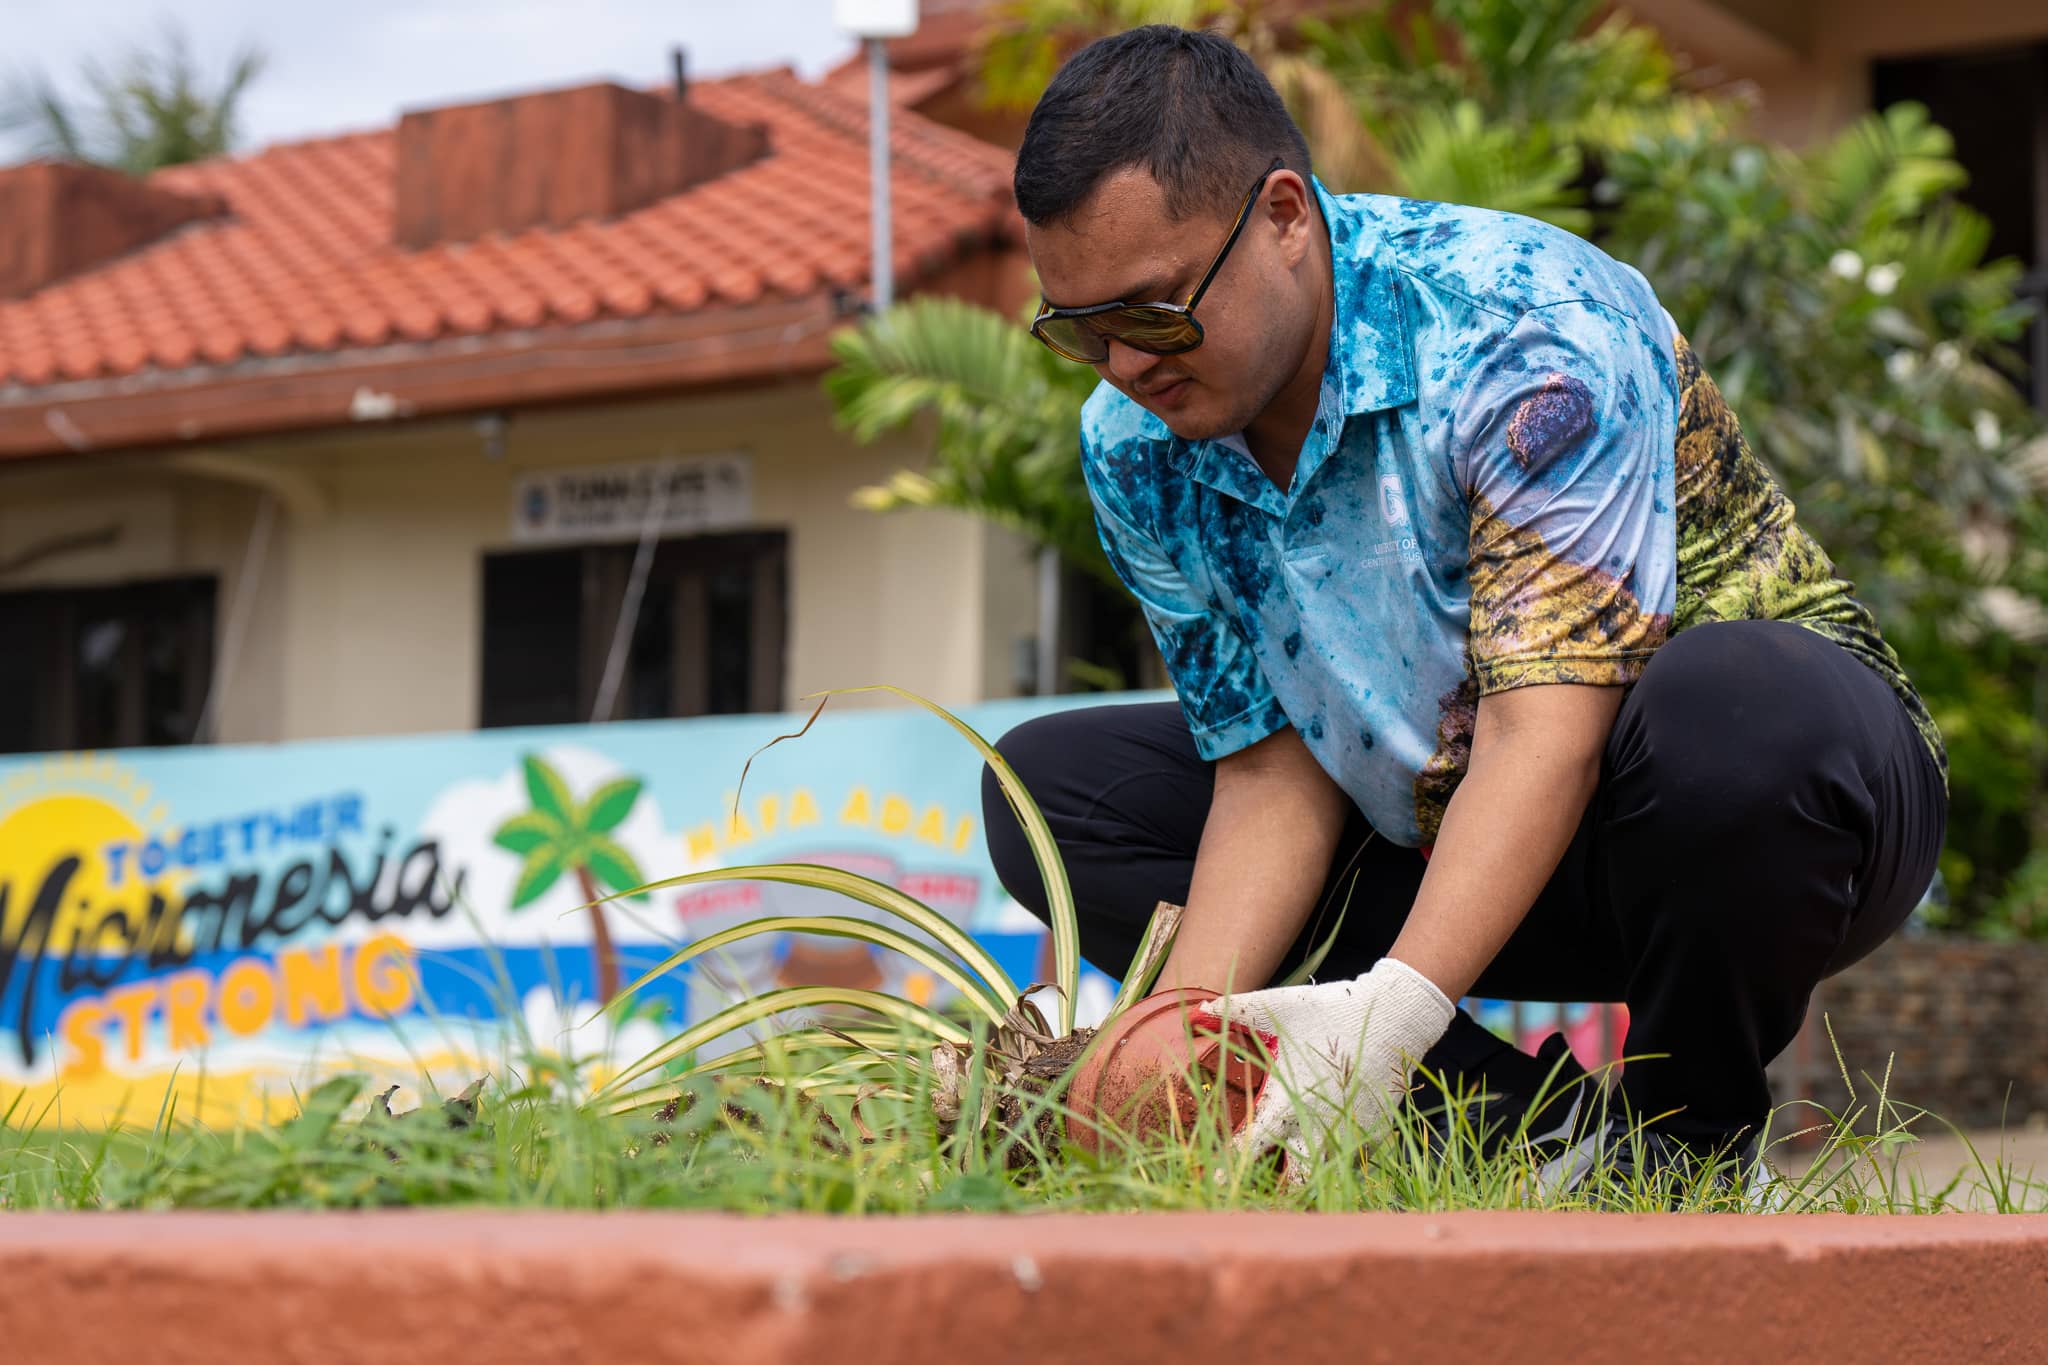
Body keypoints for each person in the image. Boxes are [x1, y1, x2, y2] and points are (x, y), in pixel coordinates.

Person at [980, 25, 1947, 1185]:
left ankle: (1681, 1150)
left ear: (1284, 215)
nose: (1124, 366)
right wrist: (1181, 1039)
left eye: (1149, 314)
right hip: (1454, 833)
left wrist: (1390, 1004)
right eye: (1077, 332)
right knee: (1053, 793)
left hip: (1756, 821)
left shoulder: (1522, 326)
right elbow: (1270, 768)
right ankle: (1516, 1135)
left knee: (1734, 705)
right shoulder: (1136, 444)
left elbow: (1548, 725)